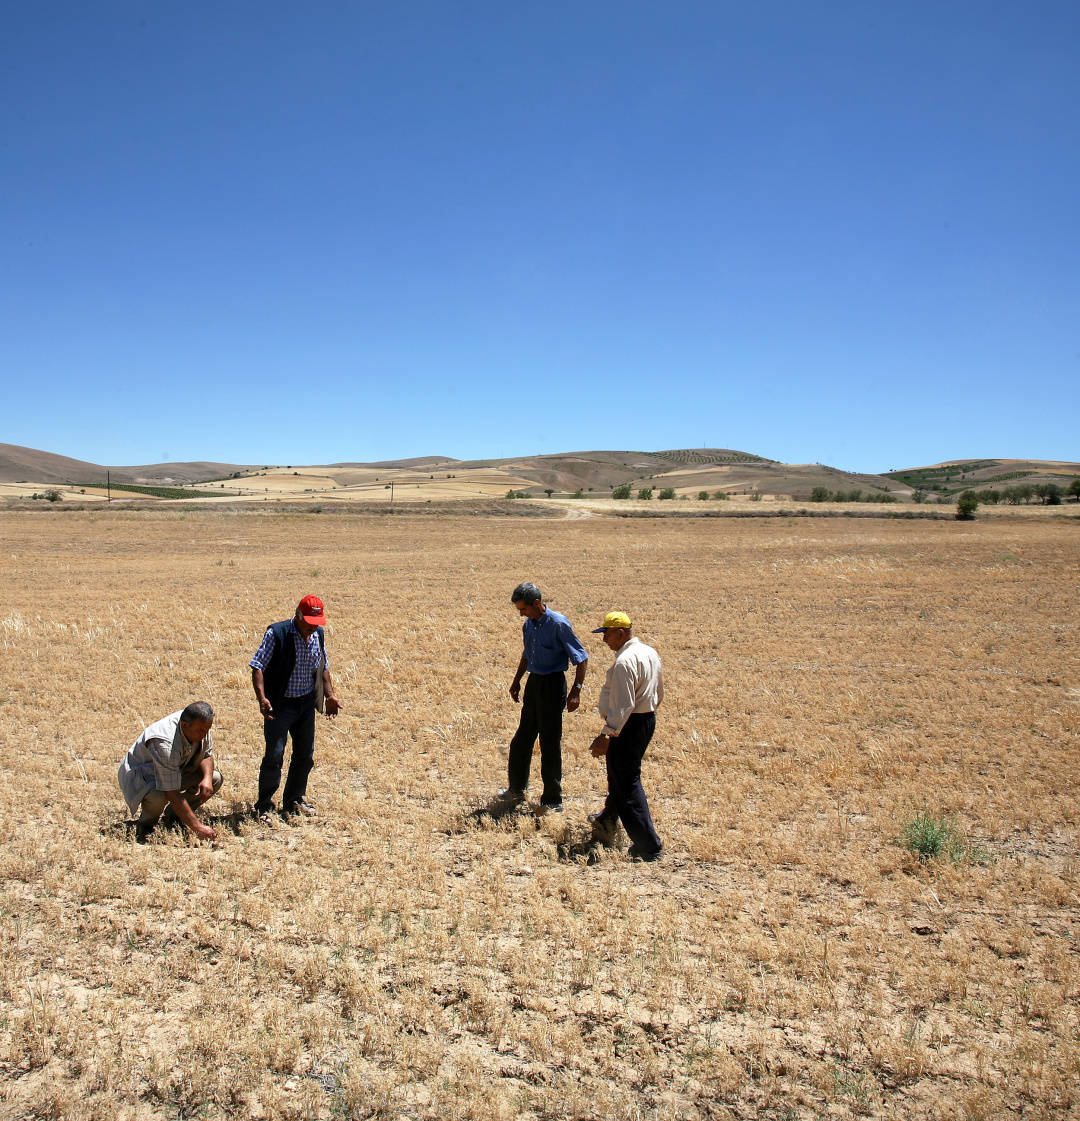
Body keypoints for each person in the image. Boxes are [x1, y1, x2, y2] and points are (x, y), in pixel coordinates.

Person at [500, 582, 588, 812]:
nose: (521, 614)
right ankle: (516, 789)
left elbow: (581, 658)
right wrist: (517, 680)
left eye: (524, 609)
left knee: (549, 743)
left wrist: (576, 691)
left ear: (537, 604)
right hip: (534, 684)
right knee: (521, 740)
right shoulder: (529, 625)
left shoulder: (559, 624)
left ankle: (552, 799)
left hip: (552, 684)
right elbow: (527, 654)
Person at [250, 594, 341, 819]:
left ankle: (294, 800)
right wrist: (262, 698)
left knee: (305, 755)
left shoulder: (317, 634)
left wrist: (329, 695)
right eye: (310, 622)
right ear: (298, 615)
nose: (313, 628)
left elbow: (323, 666)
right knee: (275, 755)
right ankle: (264, 805)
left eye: (316, 623)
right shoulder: (277, 633)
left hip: (305, 704)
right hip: (280, 706)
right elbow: (257, 666)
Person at [588, 611, 664, 861]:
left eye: (607, 634)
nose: (604, 640)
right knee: (620, 774)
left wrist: (607, 735)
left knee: (627, 781)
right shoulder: (649, 652)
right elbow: (659, 692)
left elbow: (623, 704)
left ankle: (648, 845)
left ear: (620, 633)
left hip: (627, 724)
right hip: (645, 719)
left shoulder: (624, 662)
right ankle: (608, 818)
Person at [118, 701, 222, 840]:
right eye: (202, 731)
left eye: (207, 730)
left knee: (215, 779)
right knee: (158, 796)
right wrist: (197, 828)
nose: (205, 734)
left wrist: (207, 779)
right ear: (185, 725)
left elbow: (206, 755)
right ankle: (146, 827)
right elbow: (171, 792)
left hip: (175, 769)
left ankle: (175, 818)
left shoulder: (199, 725)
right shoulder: (165, 743)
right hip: (143, 777)